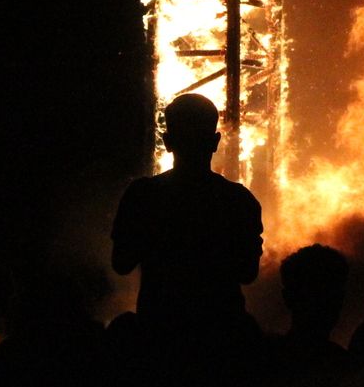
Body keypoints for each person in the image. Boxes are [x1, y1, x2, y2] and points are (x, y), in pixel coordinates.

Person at [111, 93, 263, 342]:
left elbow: (121, 263)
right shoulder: (238, 200)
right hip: (222, 338)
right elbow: (248, 272)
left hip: (159, 333)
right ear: (215, 142)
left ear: (168, 141)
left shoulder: (143, 195)